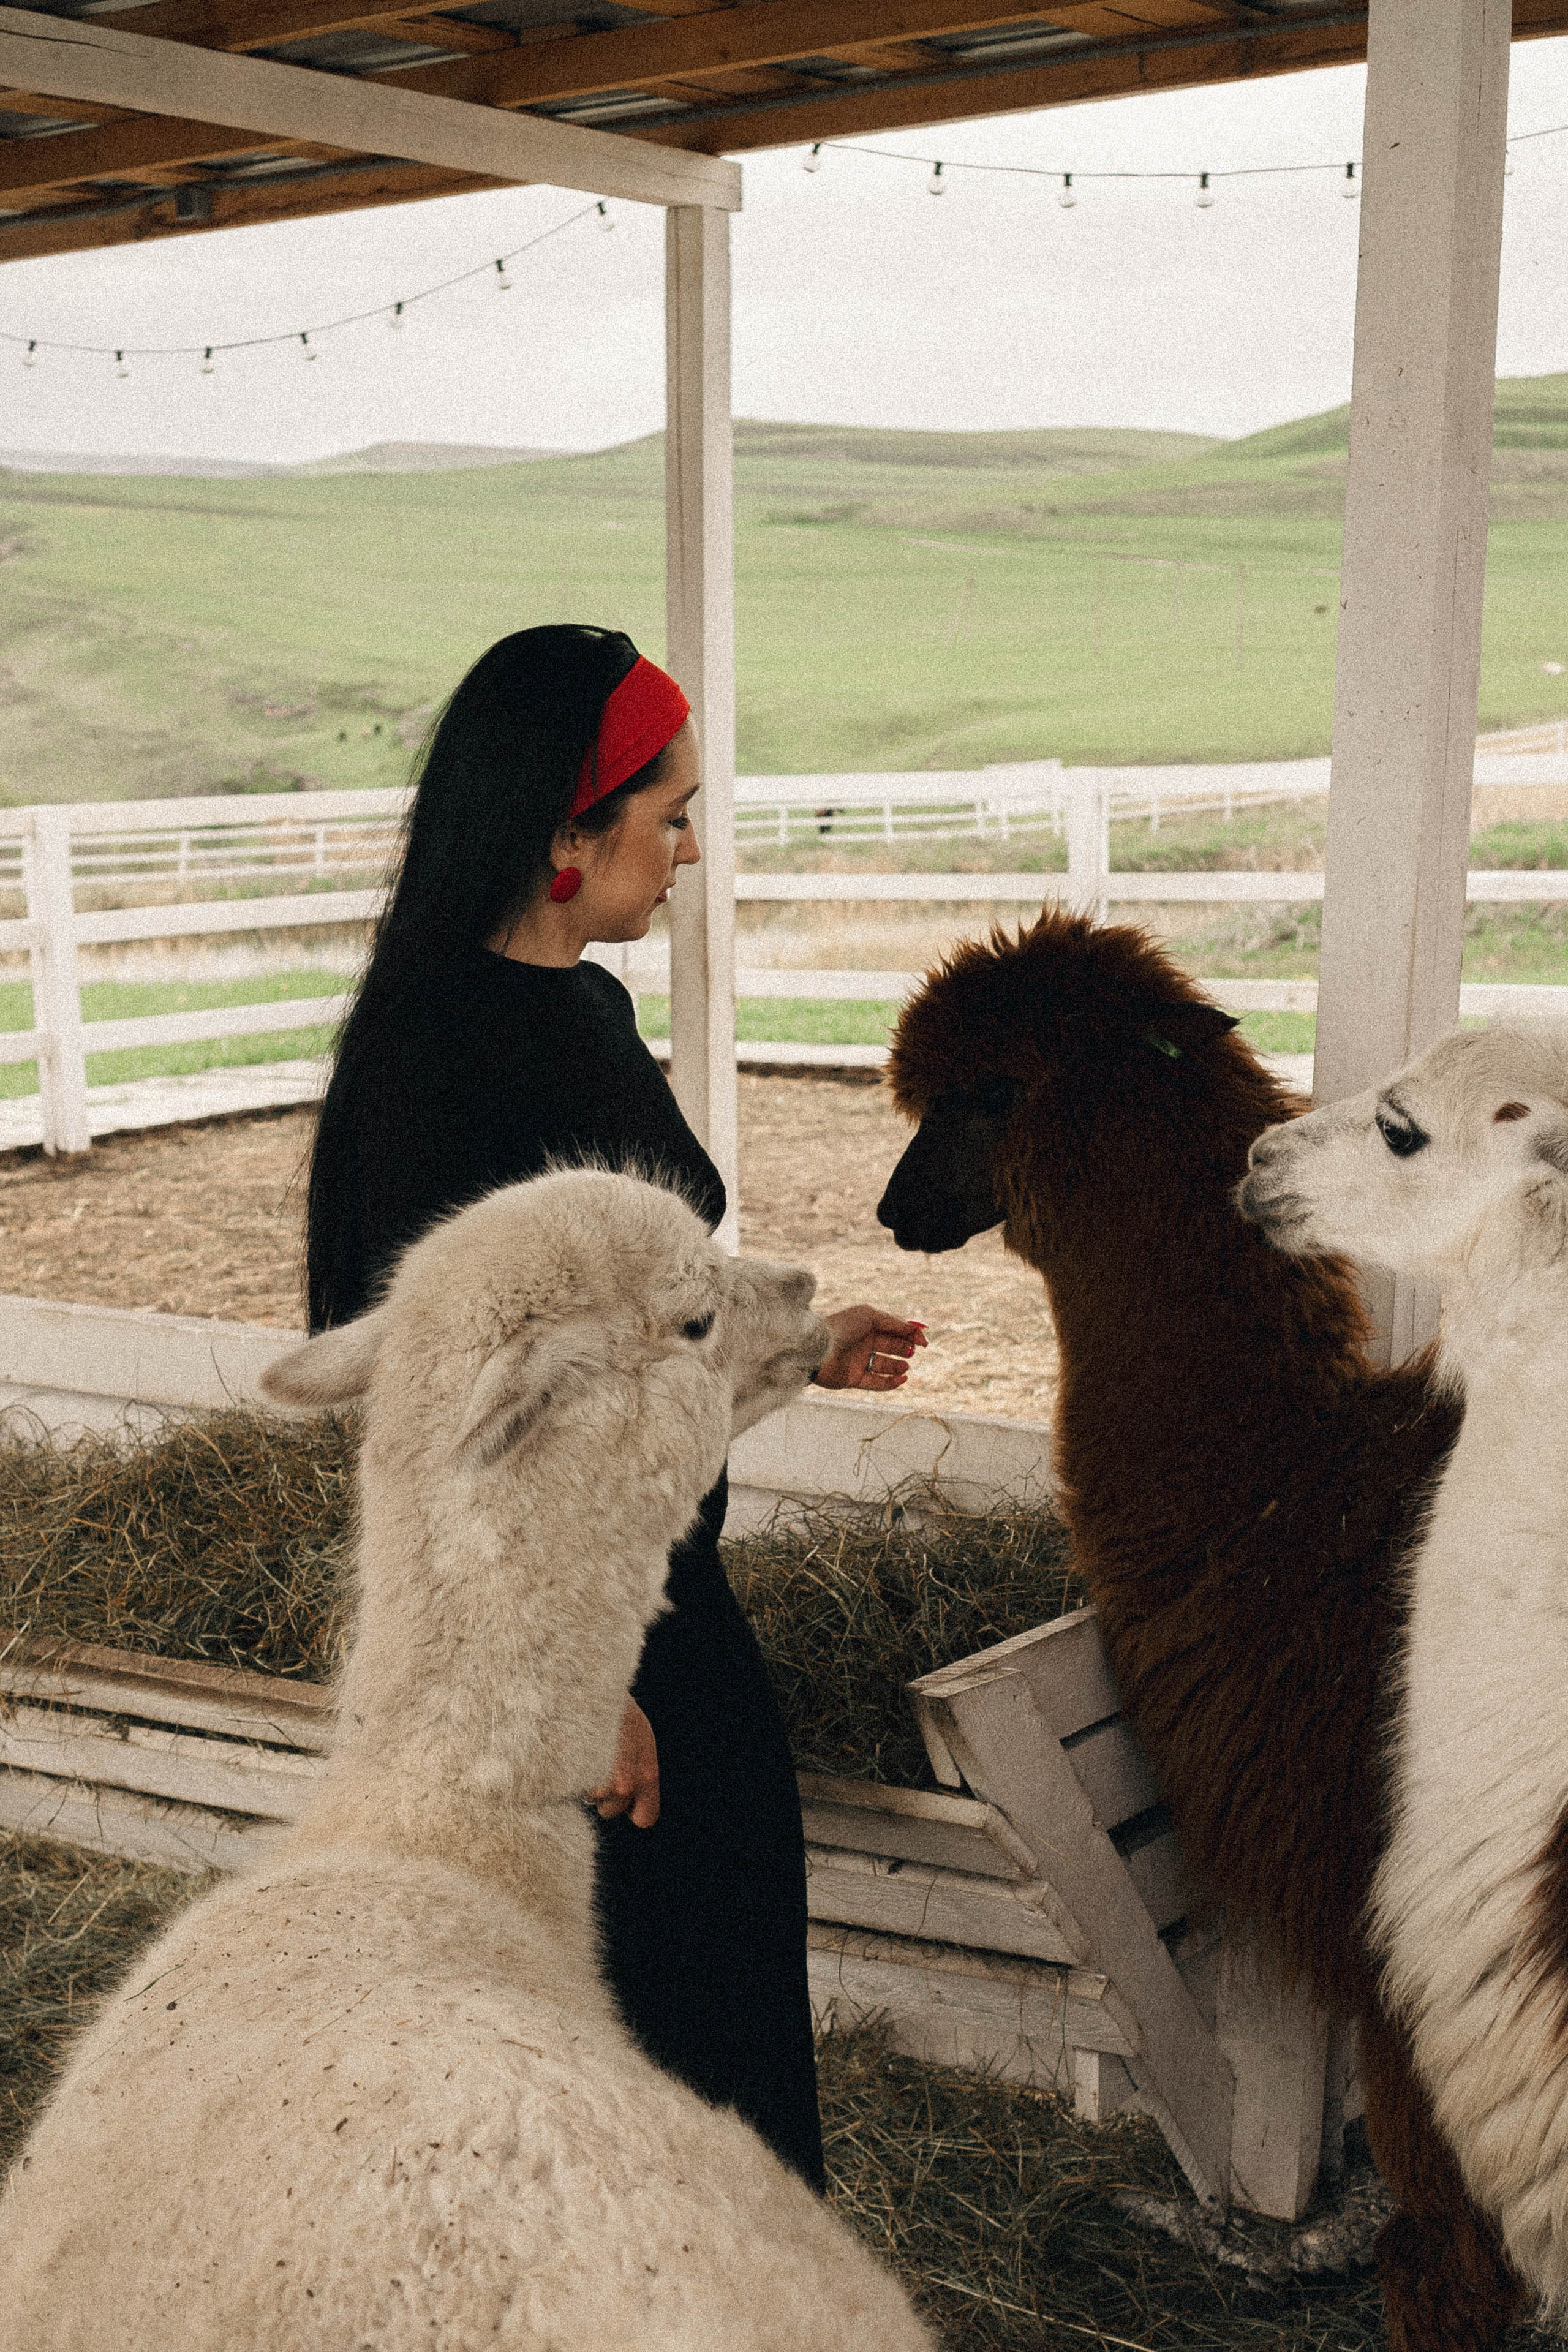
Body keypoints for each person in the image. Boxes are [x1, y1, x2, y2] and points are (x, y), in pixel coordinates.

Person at [304, 624, 927, 2193]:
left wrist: (786, 1354)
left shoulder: (573, 1010)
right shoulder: (430, 1070)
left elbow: (616, 1359)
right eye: (670, 815)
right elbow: (444, 1440)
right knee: (628, 2100)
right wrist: (573, 1695)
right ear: (567, 838)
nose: (692, 848)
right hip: (573, 1676)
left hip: (670, 1617)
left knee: (726, 2073)